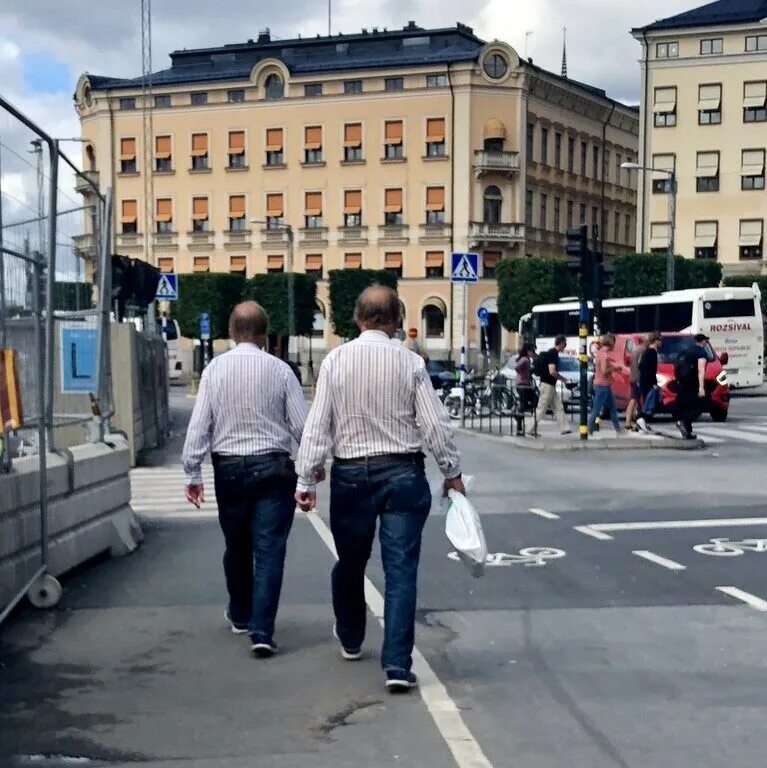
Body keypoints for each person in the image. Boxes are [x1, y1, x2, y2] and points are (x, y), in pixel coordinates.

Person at [294, 285, 463, 693]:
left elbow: (319, 424)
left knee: (350, 563)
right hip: (403, 474)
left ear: (357, 318)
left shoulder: (335, 360)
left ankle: (351, 636)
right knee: (401, 572)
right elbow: (435, 424)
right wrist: (451, 471)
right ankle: (397, 666)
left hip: (351, 475)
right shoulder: (410, 364)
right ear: (395, 320)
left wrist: (305, 477)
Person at [182, 301, 309, 658]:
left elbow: (200, 426)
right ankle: (262, 631)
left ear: (233, 331)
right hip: (274, 467)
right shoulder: (281, 371)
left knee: (236, 545)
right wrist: (312, 467)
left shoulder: (214, 370)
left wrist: (192, 471)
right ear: (264, 334)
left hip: (229, 469)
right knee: (269, 551)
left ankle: (240, 612)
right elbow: (302, 426)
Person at [533, 334, 572, 436]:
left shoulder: (553, 353)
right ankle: (530, 428)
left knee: (558, 407)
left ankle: (565, 428)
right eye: (565, 344)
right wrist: (563, 379)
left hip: (549, 385)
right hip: (547, 385)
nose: (565, 346)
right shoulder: (552, 354)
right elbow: (552, 371)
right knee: (541, 408)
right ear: (561, 343)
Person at [674, 333, 709, 439]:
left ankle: (687, 432)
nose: (706, 342)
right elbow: (701, 370)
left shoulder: (686, 351)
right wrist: (701, 387)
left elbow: (676, 366)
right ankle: (683, 422)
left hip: (682, 382)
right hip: (693, 382)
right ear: (703, 341)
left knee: (686, 406)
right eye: (706, 341)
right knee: (699, 406)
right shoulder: (701, 352)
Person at [588, 333, 622, 436]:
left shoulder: (601, 352)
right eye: (614, 342)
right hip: (602, 385)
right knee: (597, 409)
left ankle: (618, 429)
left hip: (605, 385)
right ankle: (589, 429)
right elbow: (604, 370)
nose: (615, 345)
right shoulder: (604, 355)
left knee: (612, 408)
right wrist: (615, 368)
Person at [635, 332, 662, 433]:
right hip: (649, 382)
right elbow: (652, 370)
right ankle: (641, 420)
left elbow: (640, 366)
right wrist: (654, 383)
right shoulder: (653, 352)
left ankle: (641, 423)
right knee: (649, 403)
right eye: (660, 341)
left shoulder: (645, 351)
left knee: (646, 401)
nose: (661, 343)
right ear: (656, 341)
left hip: (643, 381)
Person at [625, 335, 647, 431]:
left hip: (633, 377)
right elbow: (639, 365)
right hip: (637, 378)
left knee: (635, 401)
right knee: (633, 400)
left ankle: (634, 421)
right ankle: (628, 422)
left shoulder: (636, 350)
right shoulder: (642, 351)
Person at [514, 344, 536, 436]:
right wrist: (523, 375)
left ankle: (519, 421)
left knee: (526, 404)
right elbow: (517, 367)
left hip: (524, 385)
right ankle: (518, 414)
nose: (533, 353)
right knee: (535, 402)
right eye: (532, 351)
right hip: (523, 385)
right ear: (528, 351)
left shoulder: (526, 359)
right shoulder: (525, 359)